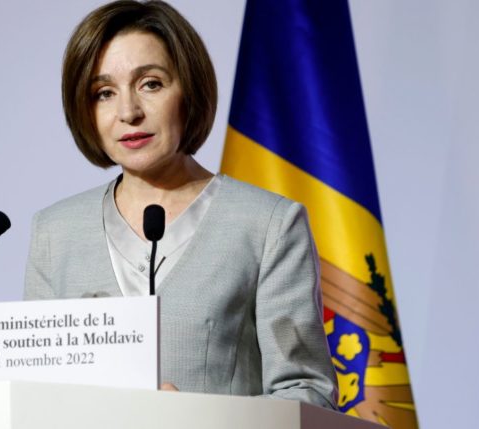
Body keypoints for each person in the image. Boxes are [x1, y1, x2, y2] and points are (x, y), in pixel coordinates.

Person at [24, 0, 337, 409]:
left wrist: (202, 418)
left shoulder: (268, 225)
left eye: (150, 84)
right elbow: (33, 395)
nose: (128, 112)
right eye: (104, 93)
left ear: (188, 89)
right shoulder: (55, 232)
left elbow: (307, 395)